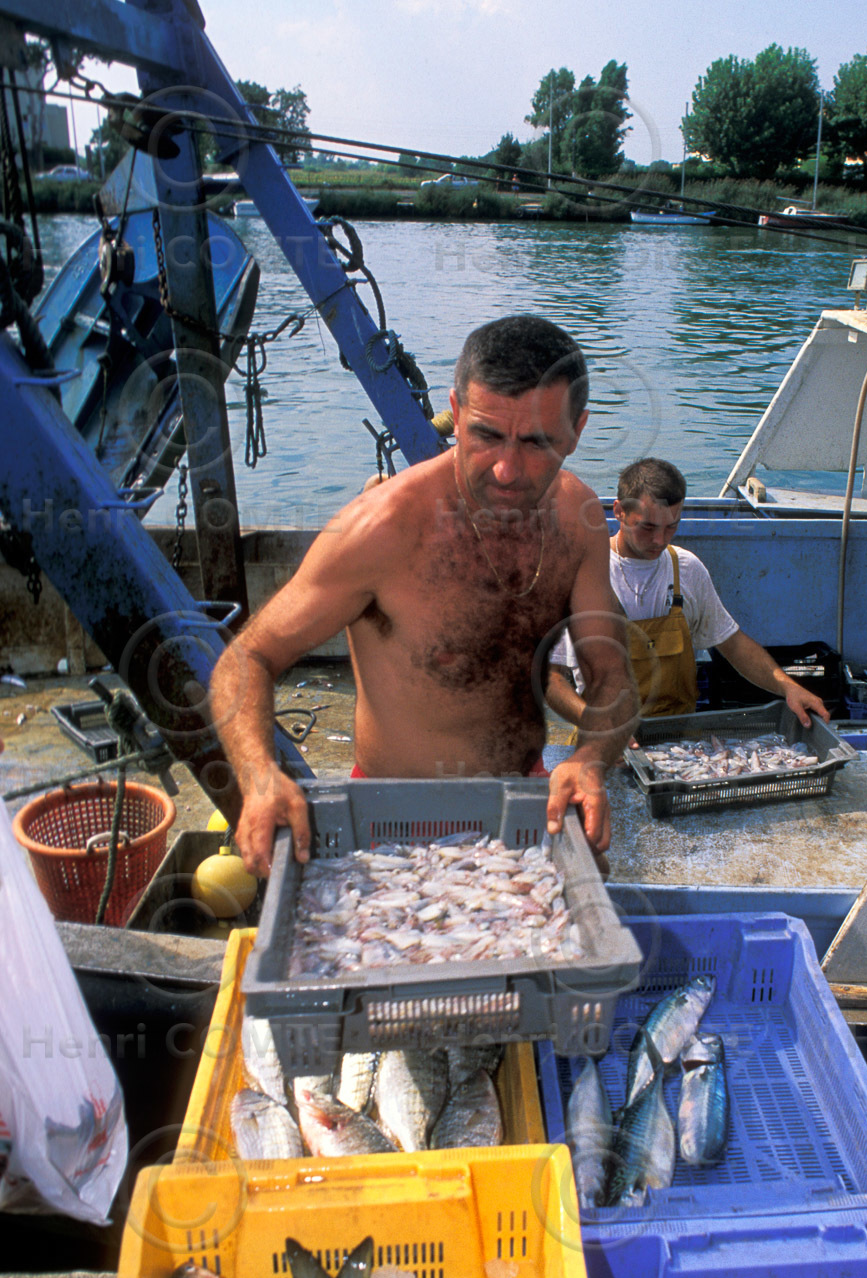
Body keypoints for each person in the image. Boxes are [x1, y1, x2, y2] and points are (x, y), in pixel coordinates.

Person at [210, 315, 637, 875]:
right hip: (393, 822)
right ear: (456, 415)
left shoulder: (577, 520)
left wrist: (589, 758)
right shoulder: (383, 530)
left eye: (537, 442)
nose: (507, 469)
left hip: (527, 802)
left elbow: (613, 677)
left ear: (577, 430)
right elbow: (245, 657)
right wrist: (261, 777)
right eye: (485, 434)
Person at [545, 456, 829, 730]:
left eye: (671, 526)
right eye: (648, 527)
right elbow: (549, 676)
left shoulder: (687, 569)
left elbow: (732, 644)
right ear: (619, 510)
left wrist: (788, 687)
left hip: (680, 736)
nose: (660, 540)